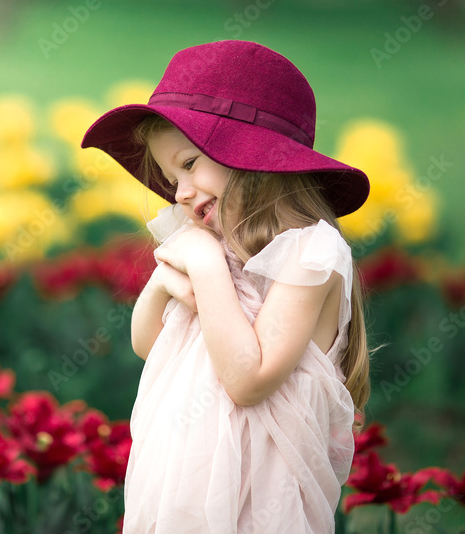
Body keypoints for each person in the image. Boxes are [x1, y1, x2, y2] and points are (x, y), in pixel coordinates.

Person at [81, 40, 374, 533]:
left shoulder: (311, 254)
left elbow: (248, 380)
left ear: (255, 156)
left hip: (262, 506)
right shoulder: (216, 244)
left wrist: (206, 267)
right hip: (183, 491)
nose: (180, 193)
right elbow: (149, 343)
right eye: (173, 176)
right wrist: (160, 284)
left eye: (190, 164)